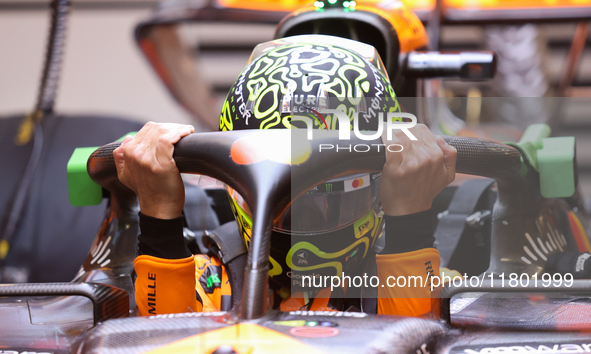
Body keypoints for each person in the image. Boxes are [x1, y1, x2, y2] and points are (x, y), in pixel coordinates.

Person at [113, 38, 457, 317]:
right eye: (287, 202)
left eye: (330, 198)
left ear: (381, 188)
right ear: (237, 187)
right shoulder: (208, 281)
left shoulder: (422, 277)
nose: (304, 221)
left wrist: (410, 225)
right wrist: (159, 212)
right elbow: (163, 345)